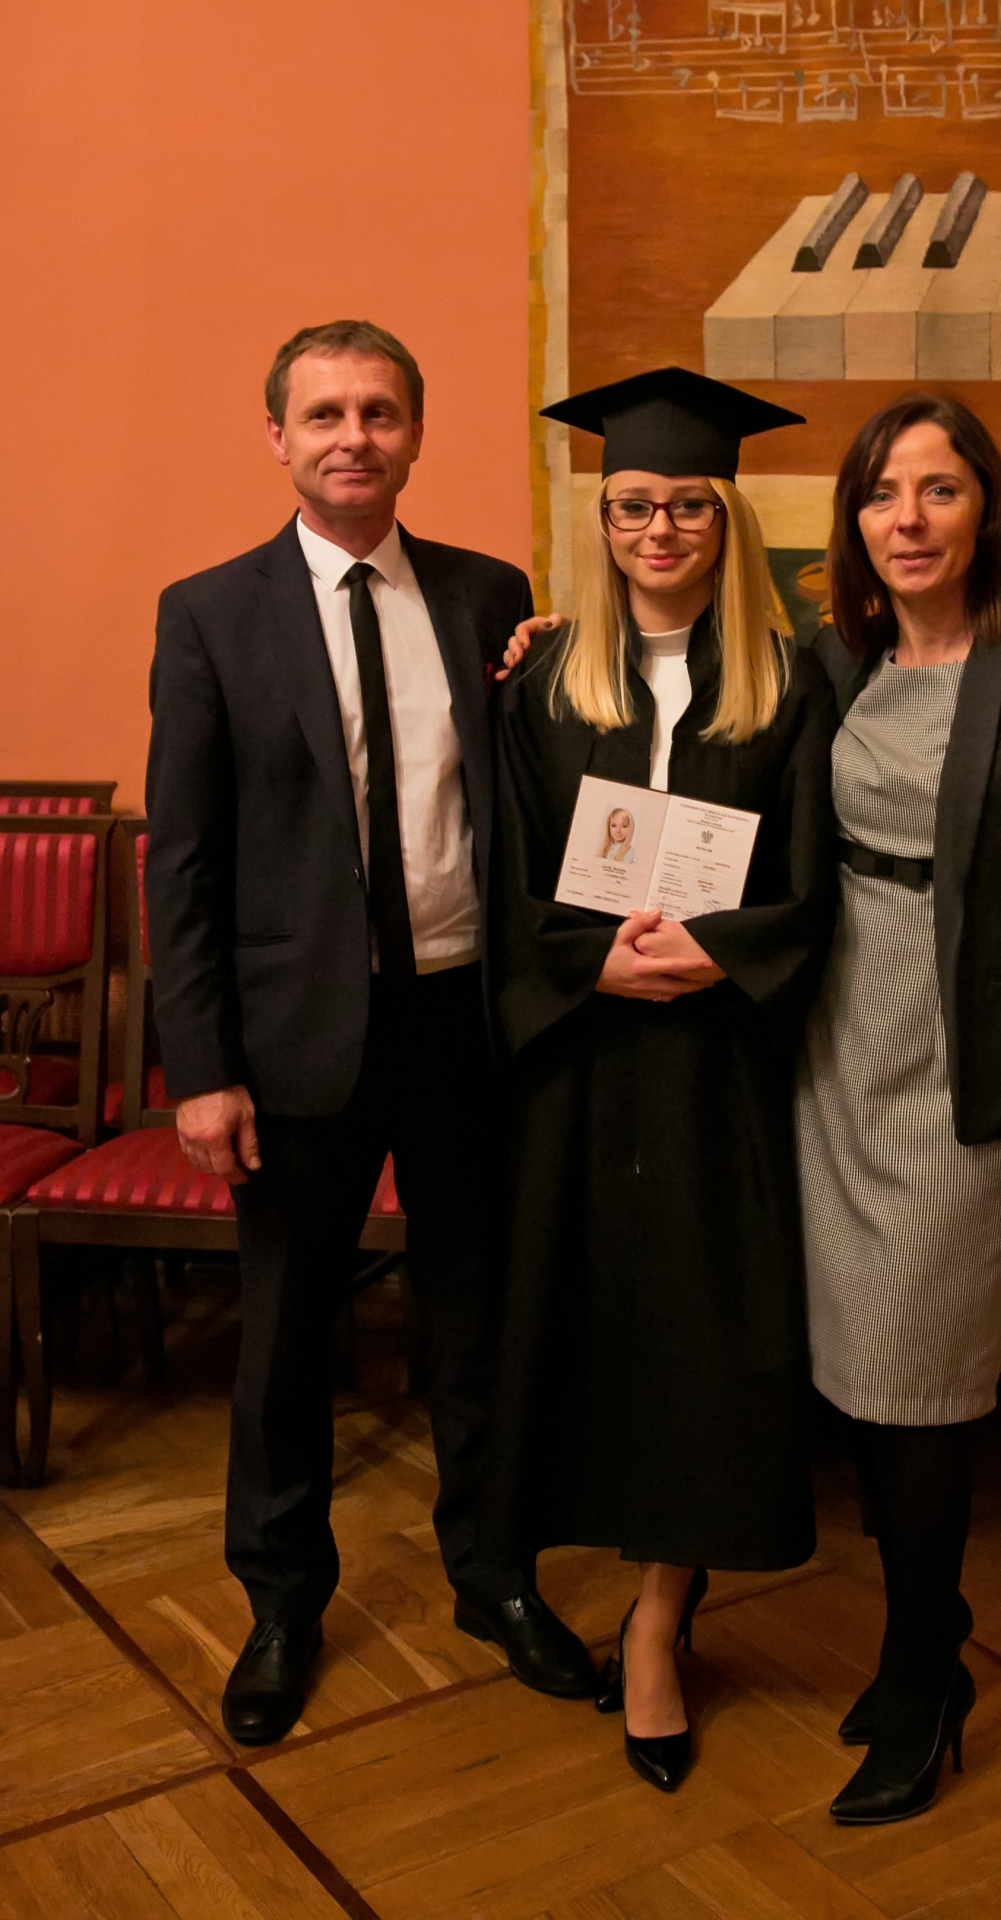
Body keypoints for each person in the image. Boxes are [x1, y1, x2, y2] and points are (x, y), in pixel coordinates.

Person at [145, 319, 596, 1747]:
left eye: (381, 412)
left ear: (415, 433)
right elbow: (184, 860)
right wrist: (202, 1069)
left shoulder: (487, 595)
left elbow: (529, 791)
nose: (355, 436)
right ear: (278, 436)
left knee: (477, 1319)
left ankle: (492, 1574)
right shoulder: (209, 614)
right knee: (286, 1337)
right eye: (327, 413)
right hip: (296, 1040)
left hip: (463, 1018)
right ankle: (282, 1602)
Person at [487, 367, 837, 1794]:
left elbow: (818, 878)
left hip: (717, 1070)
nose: (659, 529)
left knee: (703, 1337)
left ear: (728, 518)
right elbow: (505, 870)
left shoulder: (792, 681)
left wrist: (721, 956)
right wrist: (588, 969)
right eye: (633, 505)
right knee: (587, 1322)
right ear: (604, 518)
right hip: (581, 1067)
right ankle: (572, 1566)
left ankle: (658, 1616)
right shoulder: (545, 681)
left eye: (690, 504)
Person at [796, 393, 1001, 1824]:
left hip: (966, 1068)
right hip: (830, 1058)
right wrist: (545, 644)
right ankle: (931, 1632)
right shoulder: (833, 660)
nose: (908, 519)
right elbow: (688, 695)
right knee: (860, 1375)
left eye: (937, 490)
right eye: (882, 494)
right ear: (856, 523)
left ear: (987, 508)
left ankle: (924, 1672)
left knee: (920, 1382)